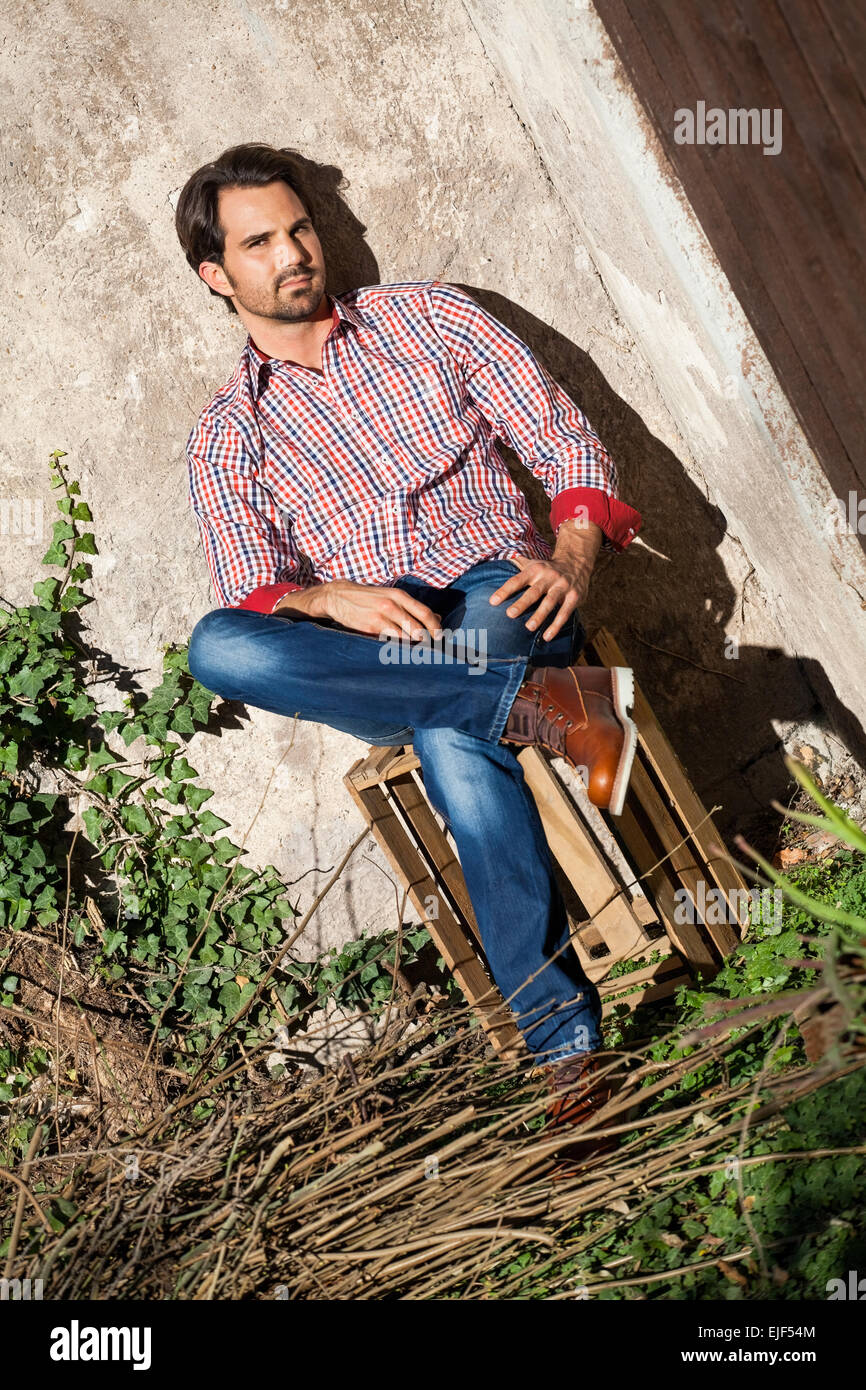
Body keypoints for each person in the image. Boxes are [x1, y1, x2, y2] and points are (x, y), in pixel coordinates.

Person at [174, 143, 644, 1151]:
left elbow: (564, 441)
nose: (296, 253)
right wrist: (327, 596)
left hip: (493, 591)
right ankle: (535, 710)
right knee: (222, 646)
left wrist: (568, 555)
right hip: (377, 642)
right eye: (261, 242)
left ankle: (566, 1060)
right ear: (217, 276)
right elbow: (253, 593)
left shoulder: (427, 319)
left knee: (449, 731)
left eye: (299, 227)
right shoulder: (227, 434)